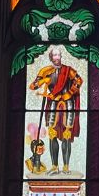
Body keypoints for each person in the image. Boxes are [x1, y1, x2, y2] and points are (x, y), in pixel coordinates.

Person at [29, 46, 83, 174]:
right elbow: (33, 86)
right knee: (52, 134)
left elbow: (79, 80)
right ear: (51, 57)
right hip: (53, 104)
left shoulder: (68, 70)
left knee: (66, 135)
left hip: (67, 104)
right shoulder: (45, 71)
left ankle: (65, 167)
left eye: (59, 55)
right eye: (54, 55)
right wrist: (43, 80)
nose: (57, 58)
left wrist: (69, 93)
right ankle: (54, 166)